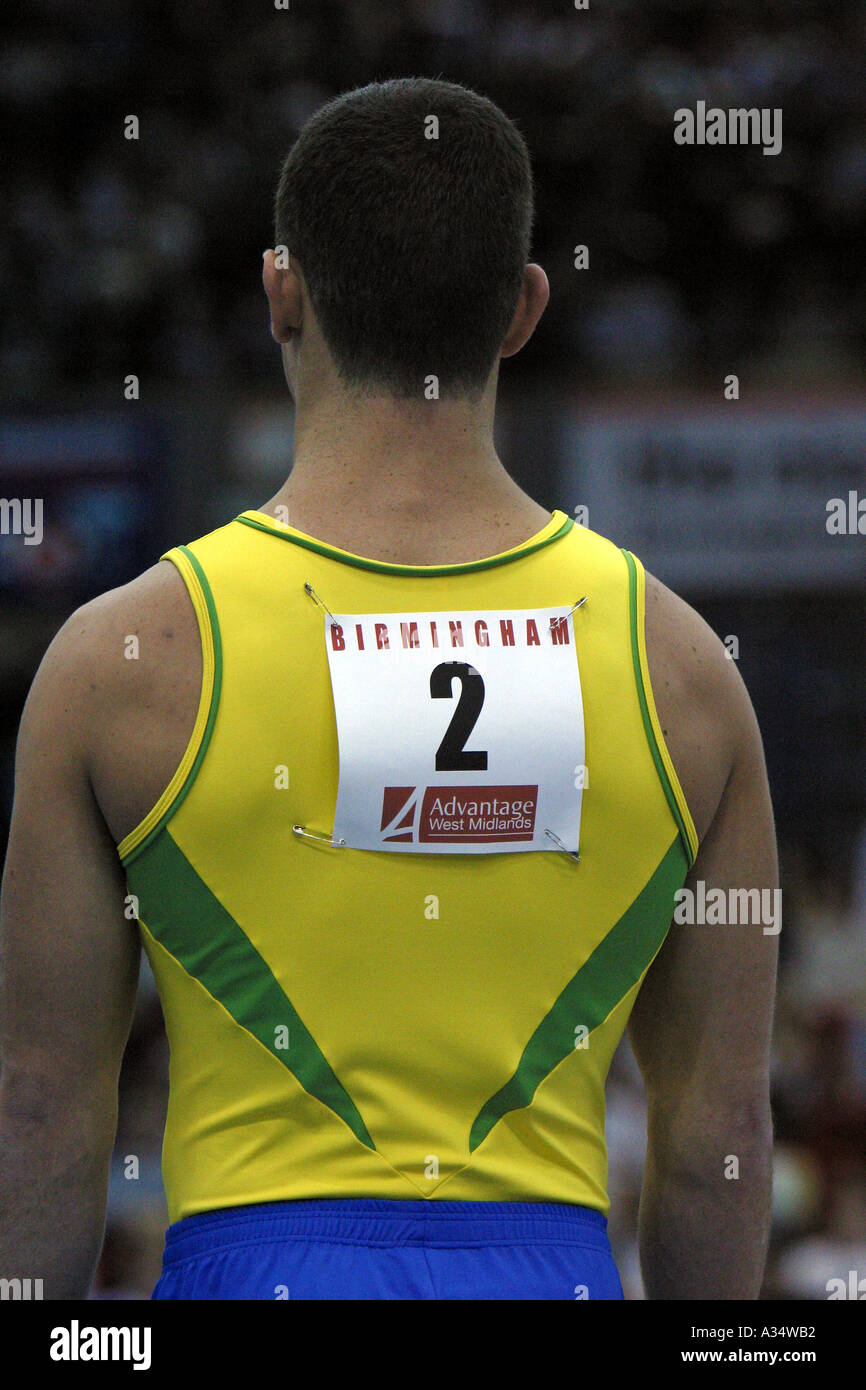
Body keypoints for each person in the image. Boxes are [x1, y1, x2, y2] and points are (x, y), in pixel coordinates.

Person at [0, 77, 777, 1300]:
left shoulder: (122, 662)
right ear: (521, 309)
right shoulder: (680, 672)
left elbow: (40, 1102)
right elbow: (716, 1132)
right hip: (550, 1272)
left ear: (280, 292)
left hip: (253, 1269)